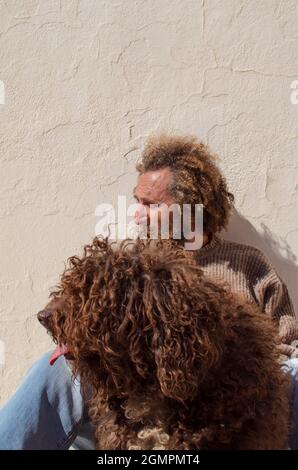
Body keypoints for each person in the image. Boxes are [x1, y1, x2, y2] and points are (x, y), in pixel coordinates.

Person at [0, 133, 297, 449]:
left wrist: (224, 356)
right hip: (135, 390)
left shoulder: (248, 264)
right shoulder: (132, 266)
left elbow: (288, 342)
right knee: (57, 367)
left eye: (150, 205)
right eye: (136, 202)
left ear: (190, 207)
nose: (136, 214)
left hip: (224, 396)